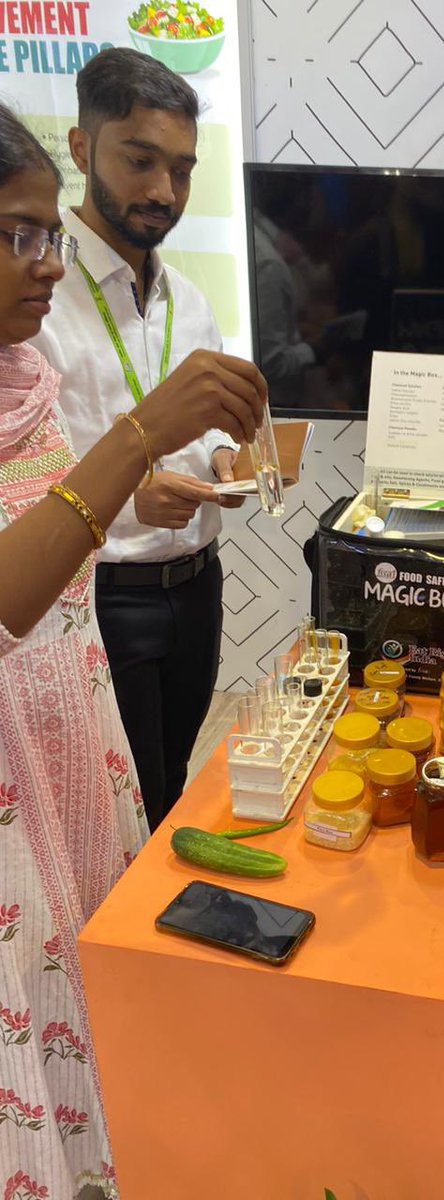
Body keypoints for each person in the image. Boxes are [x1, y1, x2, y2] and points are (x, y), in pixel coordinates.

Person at [0, 104, 264, 1199]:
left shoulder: (23, 380)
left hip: (69, 718)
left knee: (97, 968)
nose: (42, 264)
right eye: (15, 237)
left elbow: (43, 531)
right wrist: (139, 434)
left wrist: (130, 490)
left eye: (44, 236)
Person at [33, 48, 243, 832]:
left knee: (171, 781)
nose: (163, 191)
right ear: (82, 150)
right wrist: (126, 490)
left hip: (197, 584)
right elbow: (28, 477)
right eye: (140, 160)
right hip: (99, 597)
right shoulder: (36, 302)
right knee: (119, 805)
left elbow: (208, 434)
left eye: (182, 170)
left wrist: (224, 461)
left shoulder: (190, 301)